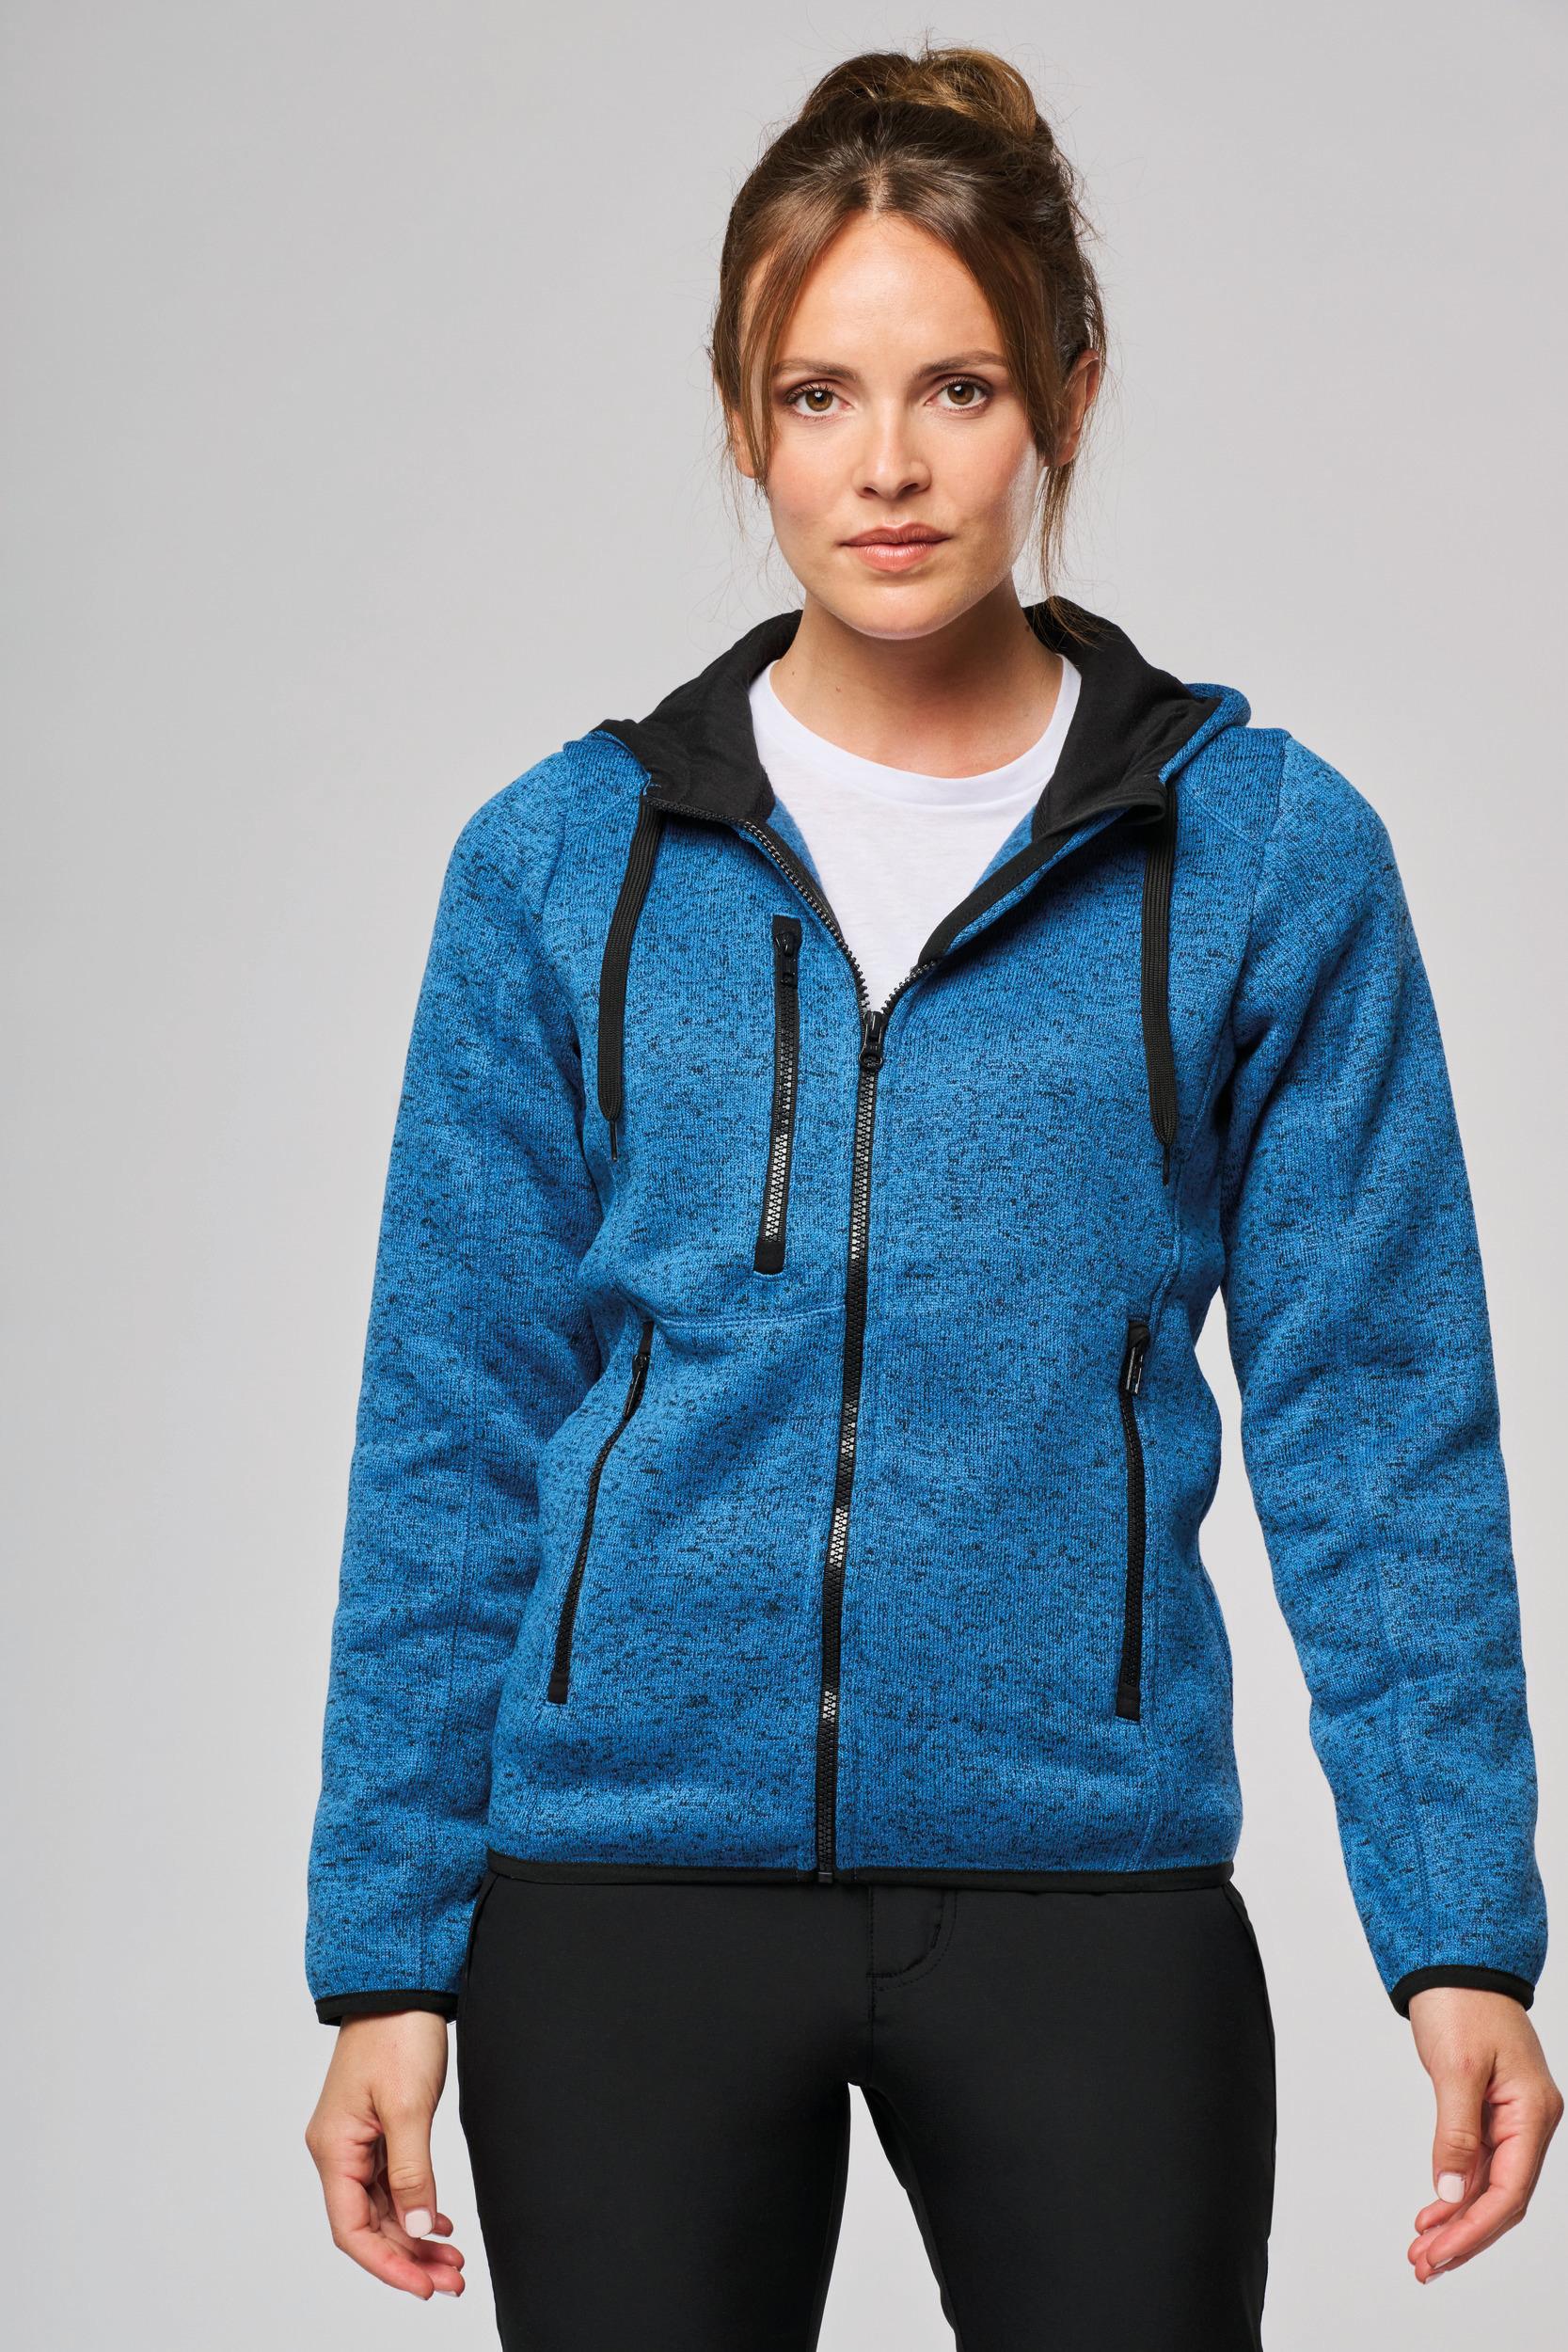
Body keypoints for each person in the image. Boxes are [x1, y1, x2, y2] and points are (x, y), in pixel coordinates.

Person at [302, 41, 1560, 2348]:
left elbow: (1380, 1417)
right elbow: (452, 1422)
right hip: (619, 1896)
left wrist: (1459, 1923)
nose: (884, 464)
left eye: (956, 387)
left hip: (1084, 1887)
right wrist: (387, 1951)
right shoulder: (559, 867)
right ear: (744, 416)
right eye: (819, 395)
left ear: (1067, 393)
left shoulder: (1264, 855)